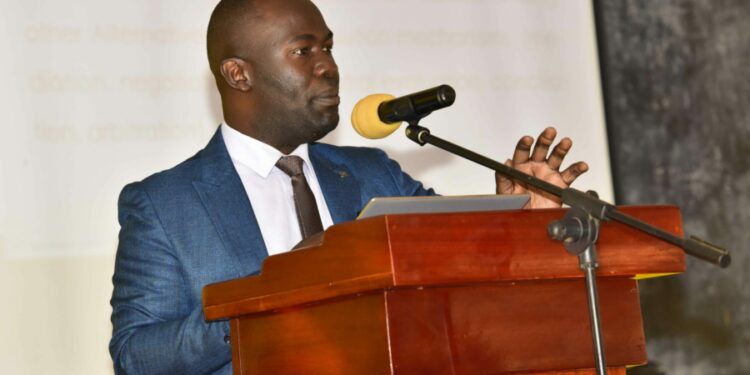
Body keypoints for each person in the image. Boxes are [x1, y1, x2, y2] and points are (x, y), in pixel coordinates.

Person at [108, 0, 589, 374]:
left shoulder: (371, 174)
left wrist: (517, 217)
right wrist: (266, 294)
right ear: (239, 74)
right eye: (303, 51)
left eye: (328, 47)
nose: (328, 66)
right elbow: (138, 356)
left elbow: (457, 265)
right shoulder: (165, 204)